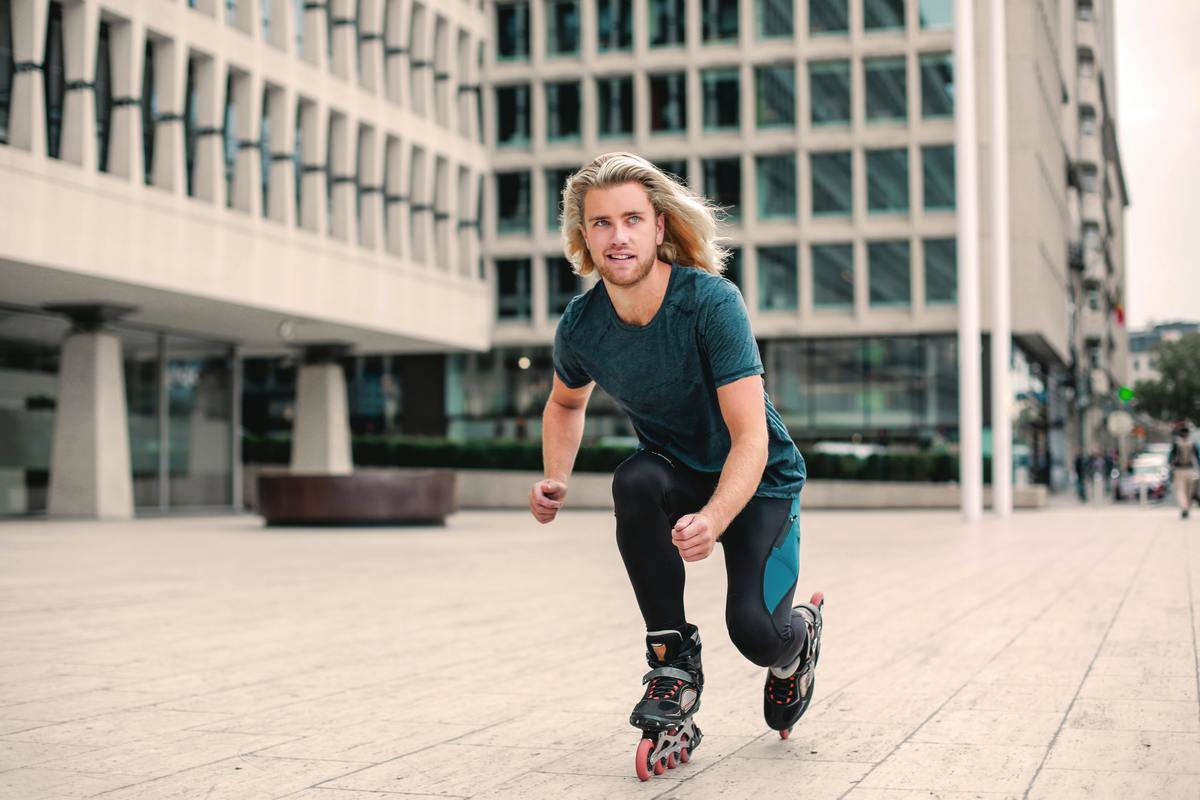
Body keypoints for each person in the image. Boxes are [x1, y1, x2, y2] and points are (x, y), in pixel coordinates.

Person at [527, 152, 821, 744]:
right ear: (584, 236)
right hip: (678, 475)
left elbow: (751, 438)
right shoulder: (582, 327)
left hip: (759, 481)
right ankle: (672, 662)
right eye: (602, 223)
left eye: (632, 219)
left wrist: (713, 519)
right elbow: (564, 402)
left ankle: (799, 640)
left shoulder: (710, 304)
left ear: (659, 227)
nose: (618, 237)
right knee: (634, 479)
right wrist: (556, 474)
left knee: (755, 634)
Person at [1168, 423, 1200, 519]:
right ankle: (1186, 508)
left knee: (1180, 491)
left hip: (1179, 470)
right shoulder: (1192, 444)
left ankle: (1184, 508)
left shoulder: (1176, 444)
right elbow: (1197, 457)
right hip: (1189, 469)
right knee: (1188, 491)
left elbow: (1170, 458)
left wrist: (1170, 467)